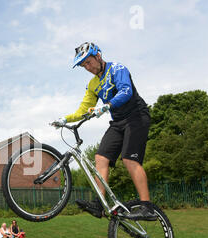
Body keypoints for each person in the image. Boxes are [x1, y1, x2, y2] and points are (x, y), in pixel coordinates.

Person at [52, 42, 156, 221]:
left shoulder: (117, 68)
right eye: (83, 65)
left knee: (129, 159)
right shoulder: (92, 84)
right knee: (100, 158)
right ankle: (99, 205)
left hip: (136, 116)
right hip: (118, 122)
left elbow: (126, 91)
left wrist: (107, 106)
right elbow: (84, 110)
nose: (87, 67)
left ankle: (147, 207)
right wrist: (65, 119)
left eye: (88, 62)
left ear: (98, 56)